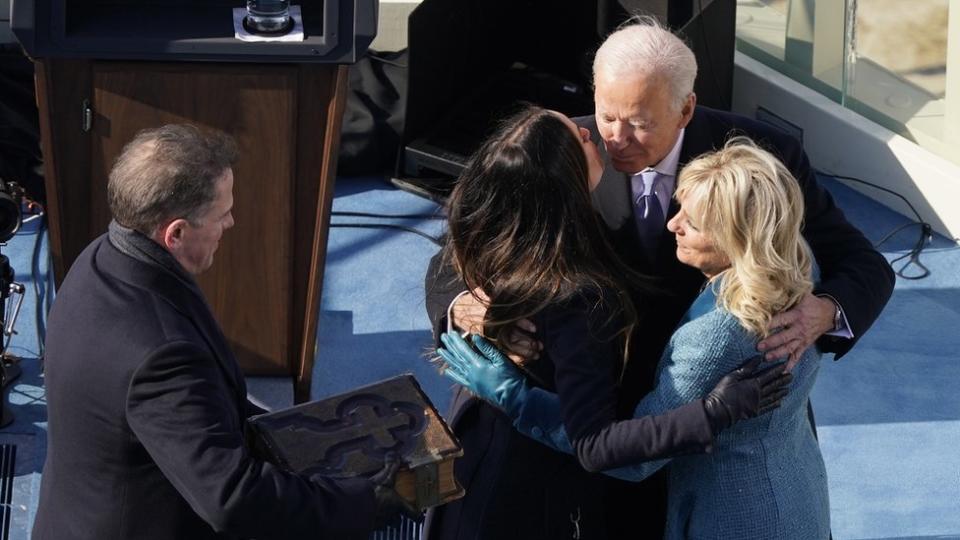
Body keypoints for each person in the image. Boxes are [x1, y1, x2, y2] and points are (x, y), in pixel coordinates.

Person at [425, 17, 894, 537]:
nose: (616, 139)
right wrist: (467, 304)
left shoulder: (762, 155)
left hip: (712, 442)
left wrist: (822, 311)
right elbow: (457, 251)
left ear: (686, 108)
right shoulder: (561, 150)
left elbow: (863, 264)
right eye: (607, 116)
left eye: (640, 124)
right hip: (594, 420)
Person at [423, 107, 791, 540]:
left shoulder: (507, 225)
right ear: (568, 178)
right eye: (579, 137)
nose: (590, 130)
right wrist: (710, 414)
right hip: (534, 497)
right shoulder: (577, 298)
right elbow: (595, 445)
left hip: (475, 466)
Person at [34, 124, 411, 540]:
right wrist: (363, 504)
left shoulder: (101, 260)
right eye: (221, 214)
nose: (231, 222)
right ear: (175, 233)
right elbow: (233, 500)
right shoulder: (160, 354)